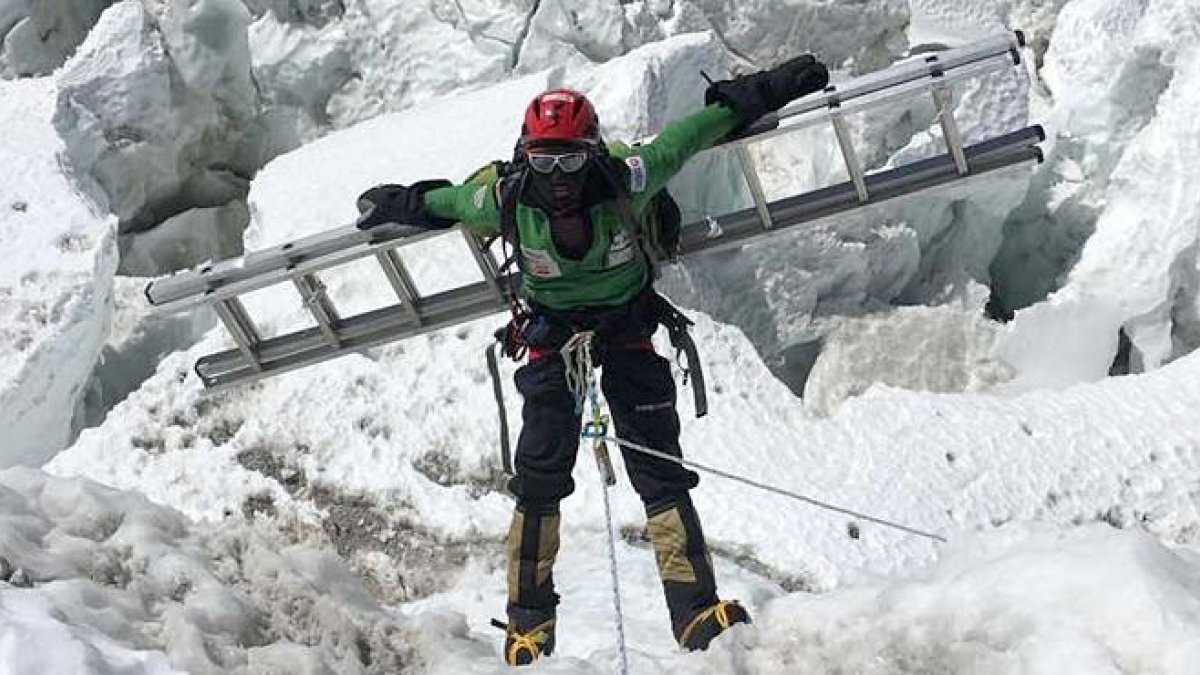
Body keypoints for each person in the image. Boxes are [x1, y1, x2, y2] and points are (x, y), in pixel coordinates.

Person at [354, 54, 829, 666]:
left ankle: (694, 613)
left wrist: (769, 87)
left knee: (657, 465)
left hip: (625, 326)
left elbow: (696, 131)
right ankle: (528, 626)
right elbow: (445, 201)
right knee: (539, 475)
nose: (557, 177)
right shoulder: (503, 196)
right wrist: (401, 201)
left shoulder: (630, 175)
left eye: (571, 161)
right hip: (552, 337)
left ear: (594, 154)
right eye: (545, 163)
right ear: (525, 159)